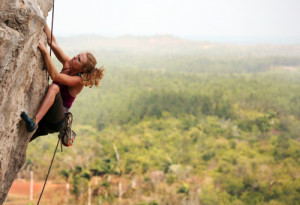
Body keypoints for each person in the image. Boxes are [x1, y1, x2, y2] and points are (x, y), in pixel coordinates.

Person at [21, 24, 104, 141]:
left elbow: (55, 76)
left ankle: (34, 122)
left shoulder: (79, 81)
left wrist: (45, 52)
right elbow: (51, 41)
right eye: (78, 55)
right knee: (22, 139)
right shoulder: (68, 63)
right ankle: (35, 125)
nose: (74, 57)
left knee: (54, 88)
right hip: (48, 116)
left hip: (56, 119)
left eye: (79, 59)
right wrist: (42, 21)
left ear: (82, 69)